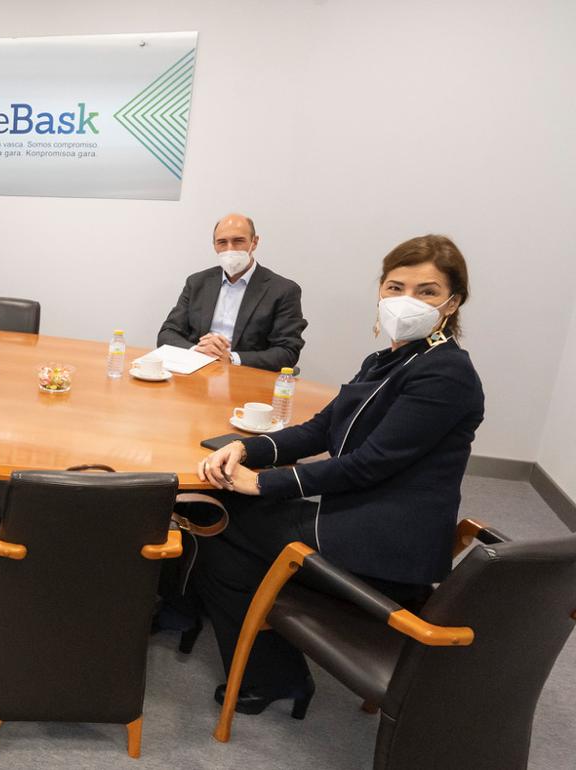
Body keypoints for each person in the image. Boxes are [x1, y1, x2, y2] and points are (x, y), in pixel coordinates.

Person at [189, 234, 484, 715]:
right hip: (360, 515)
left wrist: (263, 481)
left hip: (387, 544)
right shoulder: (391, 359)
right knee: (229, 523)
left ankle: (269, 673)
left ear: (452, 303)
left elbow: (370, 464)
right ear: (380, 292)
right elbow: (320, 429)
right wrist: (248, 447)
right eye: (395, 287)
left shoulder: (445, 373)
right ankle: (272, 673)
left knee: (219, 523)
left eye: (427, 291)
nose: (406, 301)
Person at [156, 213, 307, 370]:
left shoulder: (283, 290)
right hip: (196, 371)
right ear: (214, 245)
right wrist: (197, 350)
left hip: (245, 378)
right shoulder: (197, 283)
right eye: (222, 242)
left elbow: (287, 352)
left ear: (254, 242)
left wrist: (232, 358)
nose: (230, 249)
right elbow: (167, 334)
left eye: (238, 241)